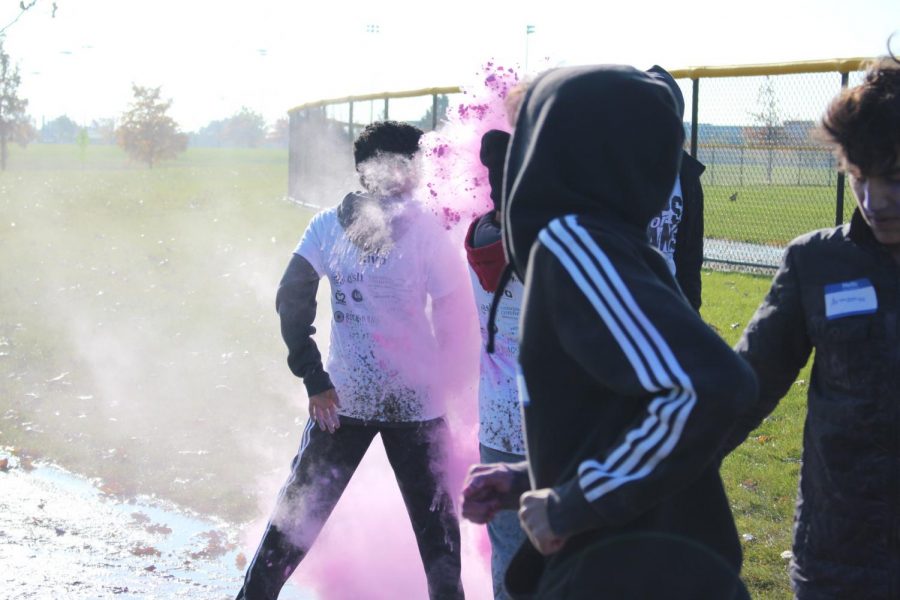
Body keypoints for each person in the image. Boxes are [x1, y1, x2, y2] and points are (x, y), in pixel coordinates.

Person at [461, 65, 757, 599]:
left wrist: (573, 505)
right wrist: (530, 480)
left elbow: (707, 386)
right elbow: (622, 419)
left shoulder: (573, 243)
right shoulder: (603, 244)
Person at [236, 121, 466, 600]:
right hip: (411, 405)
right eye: (409, 163)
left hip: (340, 399)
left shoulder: (326, 224)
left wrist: (314, 379)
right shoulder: (427, 232)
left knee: (296, 521)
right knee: (438, 539)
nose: (414, 174)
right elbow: (455, 315)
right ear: (374, 170)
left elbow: (290, 298)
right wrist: (448, 380)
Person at [722, 55, 900, 599]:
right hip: (839, 559)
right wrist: (602, 486)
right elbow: (739, 392)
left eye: (894, 178)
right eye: (858, 178)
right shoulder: (815, 264)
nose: (874, 200)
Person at [463, 128, 527, 600]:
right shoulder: (538, 242)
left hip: (496, 417)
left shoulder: (479, 232)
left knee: (507, 546)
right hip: (546, 421)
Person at [646, 65, 706, 312]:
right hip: (625, 300)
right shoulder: (616, 170)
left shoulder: (688, 177)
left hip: (670, 301)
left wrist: (692, 310)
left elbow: (690, 255)